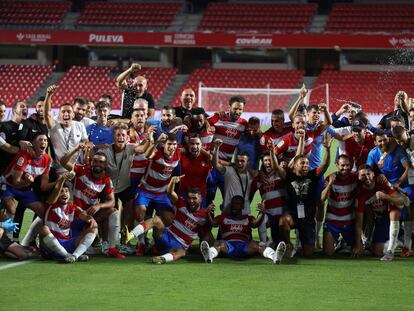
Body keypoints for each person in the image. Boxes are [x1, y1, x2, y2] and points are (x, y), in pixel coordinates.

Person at [60, 145, 124, 259]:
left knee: (113, 211)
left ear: (105, 165)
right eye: (95, 161)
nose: (97, 164)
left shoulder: (106, 180)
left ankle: (110, 247)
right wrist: (76, 149)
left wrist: (99, 205)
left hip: (91, 213)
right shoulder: (81, 171)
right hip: (77, 214)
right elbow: (63, 161)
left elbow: (112, 202)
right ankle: (87, 243)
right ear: (91, 162)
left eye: (100, 162)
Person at [124, 185, 211, 264]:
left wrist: (204, 244)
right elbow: (170, 193)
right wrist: (173, 181)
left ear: (201, 199)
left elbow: (207, 232)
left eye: (194, 198)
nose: (191, 201)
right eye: (189, 198)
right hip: (165, 236)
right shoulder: (182, 203)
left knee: (182, 252)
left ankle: (162, 259)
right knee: (157, 220)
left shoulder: (204, 216)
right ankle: (130, 235)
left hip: (179, 246)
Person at [278, 133, 332, 257]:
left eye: (307, 163)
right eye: (303, 163)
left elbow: (325, 165)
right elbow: (277, 168)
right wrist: (272, 154)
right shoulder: (289, 175)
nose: (306, 165)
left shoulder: (313, 175)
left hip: (307, 217)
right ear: (295, 165)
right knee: (282, 221)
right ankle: (288, 245)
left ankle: (300, 247)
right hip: (292, 215)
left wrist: (328, 149)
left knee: (309, 254)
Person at [129, 133, 181, 254]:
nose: (172, 147)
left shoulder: (179, 154)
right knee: (140, 213)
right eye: (169, 144)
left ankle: (154, 244)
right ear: (164, 145)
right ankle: (140, 244)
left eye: (174, 144)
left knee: (170, 218)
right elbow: (147, 154)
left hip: (161, 194)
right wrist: (157, 142)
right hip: (145, 190)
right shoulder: (157, 152)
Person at [2, 134, 56, 245]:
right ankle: (6, 240)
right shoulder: (23, 156)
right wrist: (27, 182)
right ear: (33, 144)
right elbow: (15, 182)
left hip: (25, 188)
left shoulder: (47, 159)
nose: (43, 142)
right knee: (11, 208)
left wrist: (60, 181)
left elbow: (43, 186)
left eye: (45, 140)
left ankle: (32, 240)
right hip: (8, 185)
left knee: (44, 212)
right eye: (40, 140)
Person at [200, 196, 287, 264]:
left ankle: (274, 257)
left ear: (242, 206)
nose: (235, 206)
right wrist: (208, 213)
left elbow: (256, 224)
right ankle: (209, 256)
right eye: (233, 204)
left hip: (245, 246)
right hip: (228, 245)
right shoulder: (223, 217)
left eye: (238, 204)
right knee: (220, 244)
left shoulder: (248, 218)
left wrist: (262, 213)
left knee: (257, 245)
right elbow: (213, 224)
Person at [39, 172, 98, 263]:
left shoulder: (73, 208)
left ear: (70, 194)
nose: (64, 194)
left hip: (67, 244)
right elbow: (55, 193)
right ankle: (67, 255)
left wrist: (92, 221)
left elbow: (87, 218)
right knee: (44, 229)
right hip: (50, 248)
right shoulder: (51, 205)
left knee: (94, 229)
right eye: (61, 191)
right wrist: (62, 179)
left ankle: (75, 256)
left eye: (66, 191)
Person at [353, 165, 406, 261]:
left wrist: (386, 197)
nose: (367, 177)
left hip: (395, 215)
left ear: (373, 174)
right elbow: (360, 222)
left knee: (394, 209)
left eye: (368, 174)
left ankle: (391, 249)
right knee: (377, 251)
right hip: (381, 220)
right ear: (358, 177)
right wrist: (359, 244)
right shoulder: (361, 194)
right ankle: (399, 238)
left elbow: (402, 201)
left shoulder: (382, 182)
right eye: (363, 175)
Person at [206, 95, 248, 204]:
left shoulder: (244, 124)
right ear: (229, 107)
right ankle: (208, 220)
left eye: (240, 109)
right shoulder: (218, 117)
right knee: (209, 196)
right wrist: (209, 125)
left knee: (229, 198)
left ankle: (224, 220)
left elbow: (253, 133)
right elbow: (204, 123)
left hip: (226, 168)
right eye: (235, 108)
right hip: (211, 165)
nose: (238, 111)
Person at [44, 85, 88, 175]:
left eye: (69, 111)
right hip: (60, 170)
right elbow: (47, 113)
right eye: (63, 112)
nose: (66, 114)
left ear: (73, 115)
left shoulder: (80, 125)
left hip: (76, 169)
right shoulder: (54, 127)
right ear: (59, 115)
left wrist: (86, 149)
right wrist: (48, 95)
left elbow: (86, 143)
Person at [321, 155, 358, 256]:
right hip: (332, 221)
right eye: (342, 165)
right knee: (328, 253)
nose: (345, 168)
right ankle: (338, 243)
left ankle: (344, 242)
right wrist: (330, 184)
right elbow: (322, 199)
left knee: (358, 252)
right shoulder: (330, 178)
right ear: (337, 165)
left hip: (350, 222)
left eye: (347, 165)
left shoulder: (355, 178)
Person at [251, 149, 286, 245]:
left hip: (282, 213)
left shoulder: (280, 173)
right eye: (265, 160)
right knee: (261, 220)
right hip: (268, 213)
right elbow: (250, 192)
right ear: (262, 162)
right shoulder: (259, 178)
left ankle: (274, 241)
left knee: (278, 241)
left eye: (270, 160)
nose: (268, 163)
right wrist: (257, 172)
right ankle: (263, 243)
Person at [212, 140, 255, 215]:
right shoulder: (229, 171)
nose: (239, 163)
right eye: (237, 161)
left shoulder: (251, 174)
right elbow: (216, 164)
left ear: (247, 162)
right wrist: (217, 148)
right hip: (228, 212)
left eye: (242, 161)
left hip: (244, 213)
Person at [179, 135, 212, 202]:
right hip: (184, 195)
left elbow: (212, 159)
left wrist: (202, 150)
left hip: (200, 196)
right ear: (188, 145)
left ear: (201, 145)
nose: (194, 146)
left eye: (197, 144)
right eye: (192, 144)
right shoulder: (183, 155)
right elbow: (171, 148)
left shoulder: (206, 159)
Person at [0, 100, 28, 174]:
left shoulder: (28, 127)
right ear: (15, 110)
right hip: (6, 169)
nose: (25, 108)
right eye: (22, 106)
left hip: (21, 171)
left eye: (26, 107)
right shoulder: (5, 126)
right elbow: (8, 148)